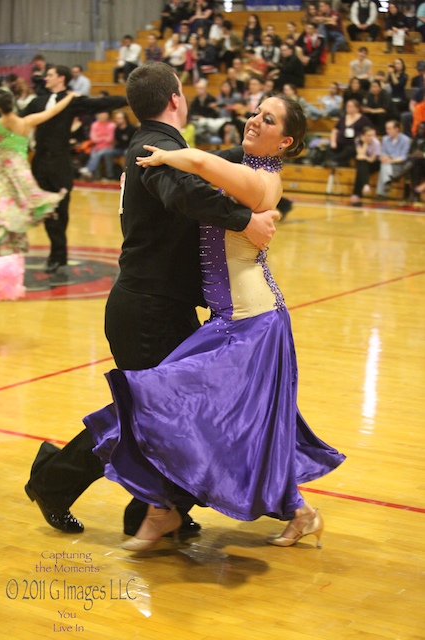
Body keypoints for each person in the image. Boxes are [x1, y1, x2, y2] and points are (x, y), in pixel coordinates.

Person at [24, 62, 281, 537]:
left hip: (158, 306)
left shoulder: (161, 145)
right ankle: (62, 483)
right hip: (147, 310)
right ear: (177, 99)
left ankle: (153, 506)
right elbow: (185, 191)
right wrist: (243, 219)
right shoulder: (156, 150)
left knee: (173, 412)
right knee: (150, 415)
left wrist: (249, 154)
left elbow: (199, 162)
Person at [83, 92, 346, 552]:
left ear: (284, 141)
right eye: (254, 112)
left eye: (267, 119)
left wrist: (166, 154)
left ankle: (164, 511)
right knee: (228, 423)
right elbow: (209, 170)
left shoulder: (263, 183)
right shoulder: (245, 169)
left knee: (196, 410)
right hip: (229, 320)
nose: (253, 121)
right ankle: (292, 512)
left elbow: (205, 164)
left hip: (256, 322)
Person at [22, 65, 127, 278]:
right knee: (46, 210)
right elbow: (16, 120)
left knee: (61, 210)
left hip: (60, 163)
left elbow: (100, 104)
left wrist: (131, 97)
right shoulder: (37, 102)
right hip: (40, 163)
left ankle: (58, 253)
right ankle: (56, 253)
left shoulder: (72, 100)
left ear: (61, 78)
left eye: (50, 75)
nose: (46, 78)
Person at [0, 89, 76, 299]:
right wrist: (69, 97)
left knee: (3, 216)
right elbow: (52, 112)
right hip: (22, 176)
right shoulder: (25, 122)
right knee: (12, 215)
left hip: (4, 176)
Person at [325, 99, 372, 167]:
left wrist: (363, 138)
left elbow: (371, 130)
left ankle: (333, 161)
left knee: (350, 150)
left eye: (350, 106)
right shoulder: (343, 117)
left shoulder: (363, 119)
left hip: (353, 143)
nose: (348, 108)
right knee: (329, 147)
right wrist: (333, 141)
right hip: (340, 142)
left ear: (357, 108)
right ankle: (332, 162)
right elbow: (335, 130)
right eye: (347, 106)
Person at [375, 119, 410, 196]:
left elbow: (404, 157)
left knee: (384, 165)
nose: (387, 131)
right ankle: (387, 182)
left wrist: (391, 160)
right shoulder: (385, 138)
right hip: (387, 163)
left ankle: (381, 193)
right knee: (384, 164)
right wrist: (383, 158)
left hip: (399, 165)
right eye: (386, 128)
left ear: (397, 129)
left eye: (389, 129)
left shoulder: (405, 140)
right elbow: (382, 152)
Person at [78, 112, 116, 180]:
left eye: (104, 115)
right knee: (94, 153)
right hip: (96, 147)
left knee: (100, 153)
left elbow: (110, 139)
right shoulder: (94, 125)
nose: (102, 116)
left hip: (108, 147)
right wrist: (104, 137)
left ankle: (88, 169)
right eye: (100, 115)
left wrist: (99, 136)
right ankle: (94, 175)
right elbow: (93, 139)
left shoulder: (111, 125)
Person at [349, 126, 381, 205]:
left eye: (372, 135)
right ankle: (365, 185)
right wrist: (365, 143)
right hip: (364, 164)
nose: (371, 137)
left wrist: (364, 157)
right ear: (363, 135)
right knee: (361, 165)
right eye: (368, 135)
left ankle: (357, 193)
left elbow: (372, 159)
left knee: (361, 165)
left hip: (375, 164)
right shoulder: (358, 140)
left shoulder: (376, 143)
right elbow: (360, 154)